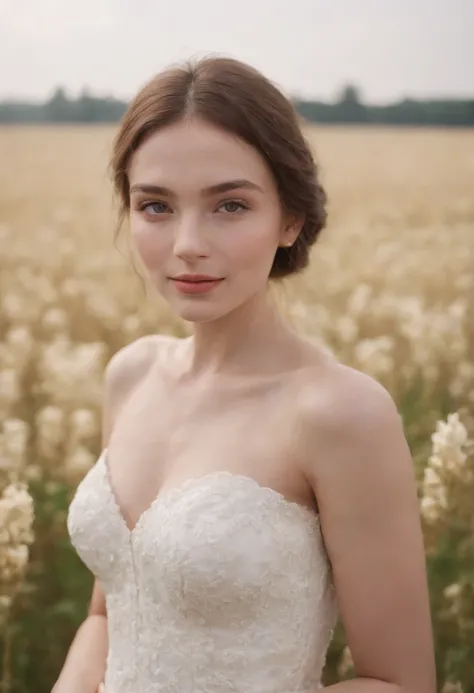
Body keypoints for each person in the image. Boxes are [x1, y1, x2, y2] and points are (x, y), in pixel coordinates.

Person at [53, 56, 436, 693]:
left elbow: (398, 682)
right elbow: (108, 613)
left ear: (291, 218)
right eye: (156, 206)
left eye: (230, 205)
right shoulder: (131, 375)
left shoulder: (339, 413)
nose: (187, 244)